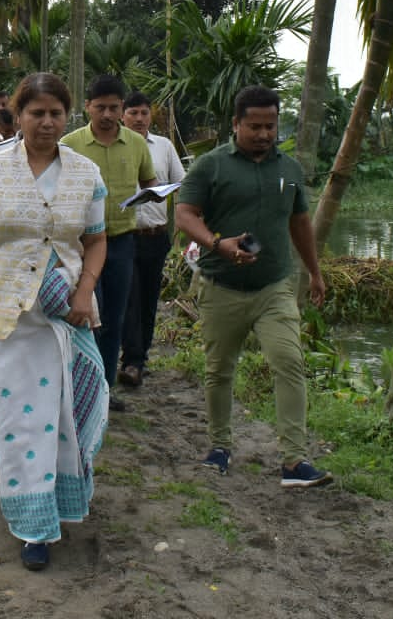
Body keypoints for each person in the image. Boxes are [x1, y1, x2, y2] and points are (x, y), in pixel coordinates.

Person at [0, 72, 109, 572]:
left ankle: (55, 511)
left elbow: (96, 240)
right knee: (16, 423)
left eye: (56, 113)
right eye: (37, 113)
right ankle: (31, 525)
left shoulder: (85, 174)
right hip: (2, 320)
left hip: (62, 321)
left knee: (59, 419)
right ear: (18, 116)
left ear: (67, 114)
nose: (48, 122)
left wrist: (84, 290)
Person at [174, 85, 333, 488]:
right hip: (220, 285)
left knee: (289, 361)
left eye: (271, 126)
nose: (264, 134)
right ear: (236, 124)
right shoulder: (211, 166)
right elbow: (185, 214)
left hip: (274, 287)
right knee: (219, 370)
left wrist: (315, 272)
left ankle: (295, 461)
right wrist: (217, 244)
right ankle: (219, 446)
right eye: (255, 126)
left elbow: (299, 224)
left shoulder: (290, 170)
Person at [60, 74, 156, 406]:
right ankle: (77, 389)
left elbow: (149, 181)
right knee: (85, 315)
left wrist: (150, 195)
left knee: (114, 317)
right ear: (87, 106)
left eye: (114, 108)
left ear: (122, 108)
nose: (107, 114)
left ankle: (104, 390)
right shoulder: (70, 144)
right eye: (100, 107)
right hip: (80, 243)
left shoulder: (136, 143)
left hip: (122, 241)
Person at [117, 91, 186, 389]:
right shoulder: (115, 146)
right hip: (123, 234)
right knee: (128, 298)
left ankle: (140, 357)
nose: (140, 118)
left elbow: (181, 183)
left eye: (144, 113)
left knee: (148, 299)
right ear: (123, 115)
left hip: (156, 234)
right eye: (133, 113)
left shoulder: (164, 147)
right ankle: (130, 360)